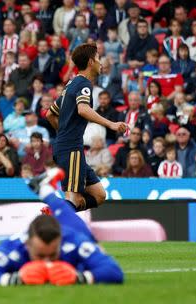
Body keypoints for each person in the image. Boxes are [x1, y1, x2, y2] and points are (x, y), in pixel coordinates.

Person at [46, 42, 127, 211]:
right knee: (73, 197)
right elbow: (83, 109)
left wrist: (62, 133)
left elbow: (50, 114)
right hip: (71, 149)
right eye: (98, 58)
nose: (101, 62)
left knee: (99, 195)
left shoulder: (71, 85)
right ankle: (54, 219)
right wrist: (111, 124)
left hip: (67, 147)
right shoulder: (84, 84)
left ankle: (57, 212)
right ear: (91, 62)